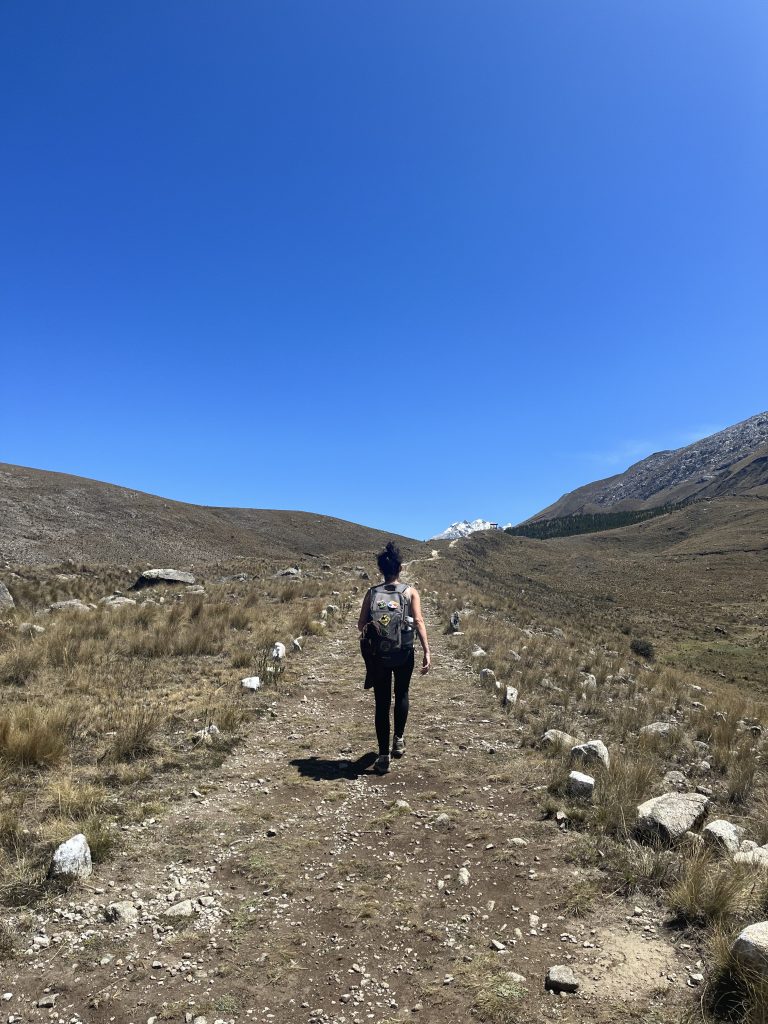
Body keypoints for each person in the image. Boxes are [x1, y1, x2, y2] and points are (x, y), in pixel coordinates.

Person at [357, 541, 431, 774]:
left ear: (381, 570)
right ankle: (398, 740)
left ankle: (382, 756)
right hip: (403, 652)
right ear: (400, 568)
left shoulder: (372, 593)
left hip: (379, 655)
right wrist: (427, 650)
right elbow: (418, 621)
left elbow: (361, 625)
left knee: (381, 702)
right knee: (402, 693)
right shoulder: (410, 592)